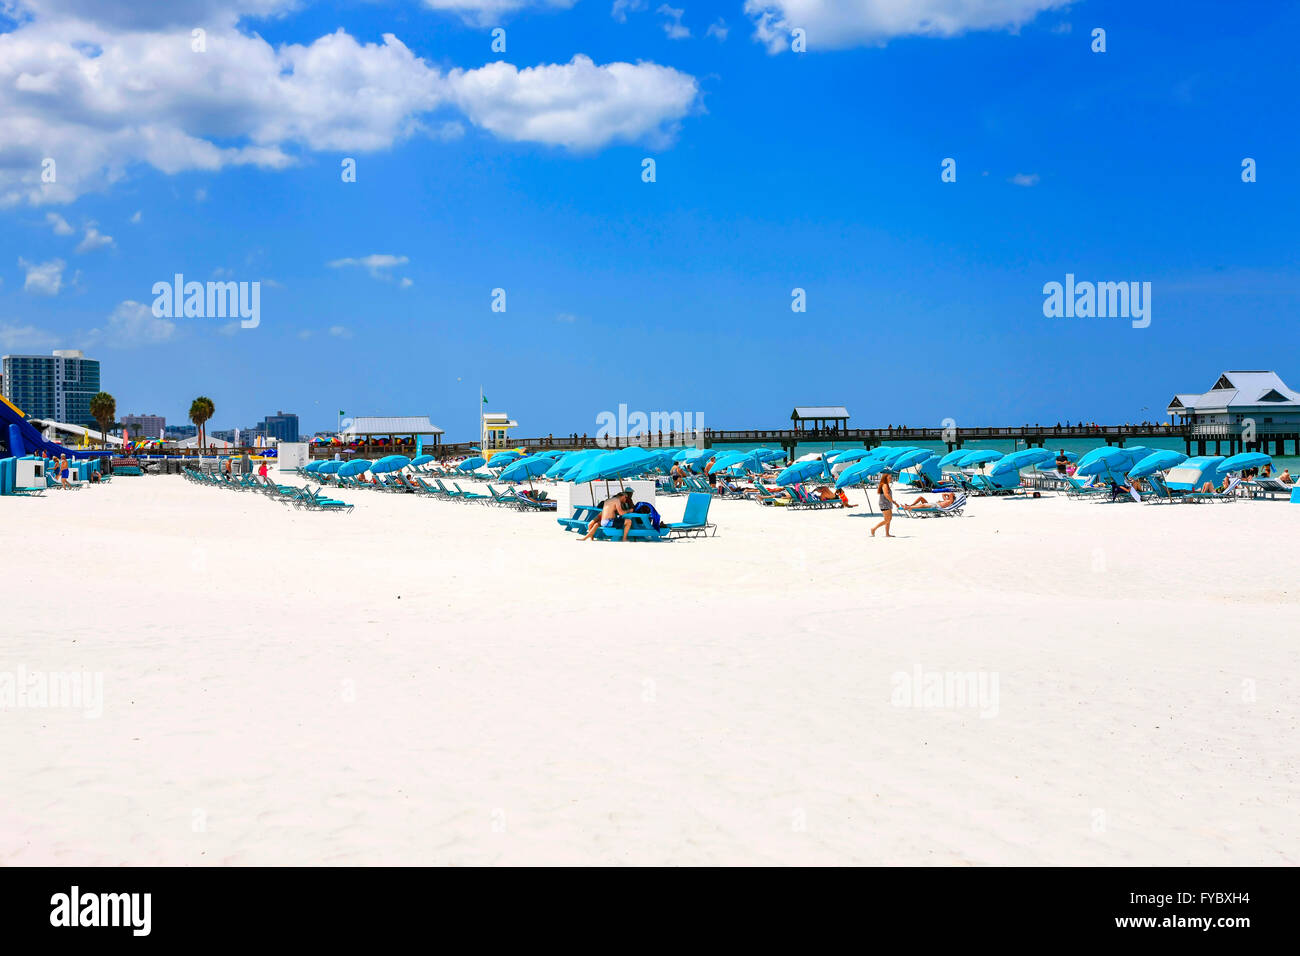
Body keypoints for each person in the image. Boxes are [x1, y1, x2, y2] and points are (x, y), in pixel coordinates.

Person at [870, 469, 897, 537]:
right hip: (884, 504)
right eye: (889, 477)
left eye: (891, 477)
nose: (891, 479)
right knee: (887, 520)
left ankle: (887, 534)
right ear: (885, 478)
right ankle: (874, 529)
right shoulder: (884, 485)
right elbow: (886, 494)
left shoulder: (886, 485)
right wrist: (893, 501)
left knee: (888, 519)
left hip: (887, 503)